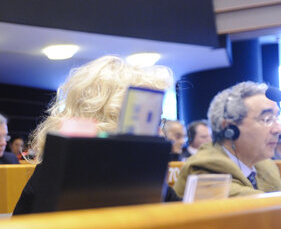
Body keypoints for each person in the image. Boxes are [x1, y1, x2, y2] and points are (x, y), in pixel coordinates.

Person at [13, 55, 173, 214]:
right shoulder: (57, 179)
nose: (160, 133)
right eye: (154, 120)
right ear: (114, 116)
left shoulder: (144, 174)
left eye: (159, 120)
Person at [174, 81, 281, 198]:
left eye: (277, 118)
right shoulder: (205, 168)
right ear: (229, 129)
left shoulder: (264, 165)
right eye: (267, 119)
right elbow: (265, 208)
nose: (279, 129)